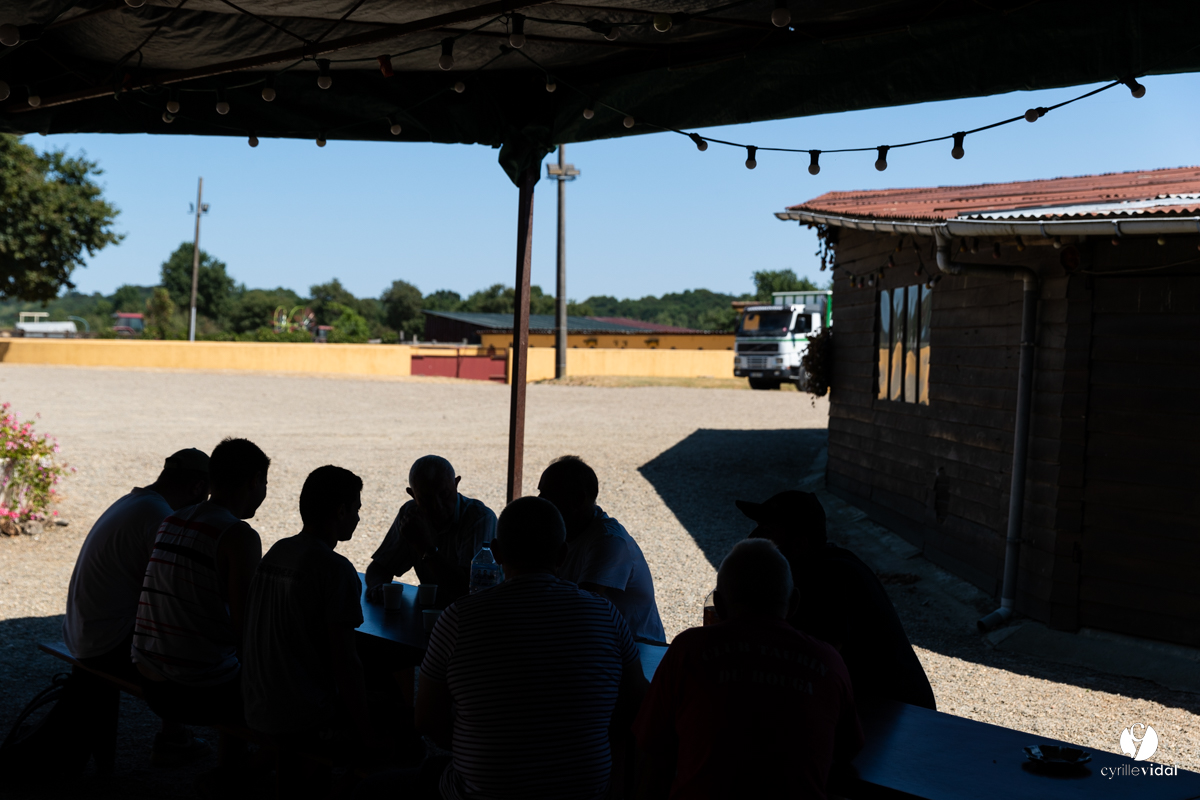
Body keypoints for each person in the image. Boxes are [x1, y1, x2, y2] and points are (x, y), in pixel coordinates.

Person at [413, 496, 648, 800]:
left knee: (381, 788)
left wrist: (482, 747)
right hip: (586, 791)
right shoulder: (605, 614)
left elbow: (427, 720)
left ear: (496, 552)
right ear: (562, 554)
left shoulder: (458, 618)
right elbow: (637, 701)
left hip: (485, 793)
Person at [633, 539, 863, 800]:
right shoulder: (829, 661)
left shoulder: (687, 650)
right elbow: (849, 749)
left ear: (718, 605)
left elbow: (650, 748)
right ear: (794, 603)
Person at [60, 448, 210, 770]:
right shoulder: (160, 517)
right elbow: (170, 593)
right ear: (198, 488)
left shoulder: (136, 501)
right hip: (106, 644)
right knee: (187, 634)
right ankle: (177, 737)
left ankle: (174, 734)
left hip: (83, 632)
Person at [132, 437, 269, 763]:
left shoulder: (172, 520)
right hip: (194, 693)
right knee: (280, 679)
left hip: (148, 677)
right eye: (265, 482)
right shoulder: (238, 536)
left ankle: (227, 763)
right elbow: (245, 628)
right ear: (253, 482)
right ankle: (235, 769)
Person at [738, 490, 936, 711]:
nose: (752, 537)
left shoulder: (830, 577)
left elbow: (815, 665)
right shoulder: (817, 566)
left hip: (898, 717)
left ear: (799, 544)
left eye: (766, 530)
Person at [538, 456, 666, 643]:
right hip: (599, 639)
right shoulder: (564, 530)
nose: (540, 500)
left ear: (577, 499)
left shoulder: (609, 540)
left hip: (637, 646)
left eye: (548, 494)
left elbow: (581, 607)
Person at [365, 455, 496, 604]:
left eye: (444, 494)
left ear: (456, 484)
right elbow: (380, 567)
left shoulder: (479, 519)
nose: (437, 505)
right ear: (412, 495)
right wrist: (378, 587)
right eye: (426, 498)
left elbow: (466, 591)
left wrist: (425, 547)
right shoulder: (410, 514)